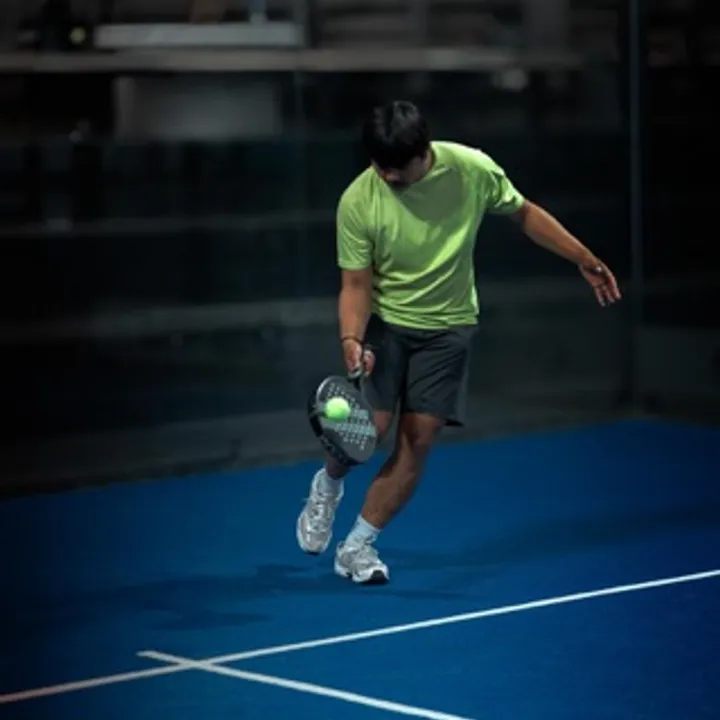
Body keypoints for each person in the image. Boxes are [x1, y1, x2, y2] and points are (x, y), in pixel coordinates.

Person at [296, 100, 622, 585]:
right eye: (379, 166)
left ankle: (358, 546)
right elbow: (356, 284)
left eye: (395, 168)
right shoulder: (359, 199)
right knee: (369, 429)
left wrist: (583, 257)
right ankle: (327, 485)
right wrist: (351, 338)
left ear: (423, 153)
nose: (386, 176)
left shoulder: (471, 169)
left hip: (449, 328)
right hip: (386, 321)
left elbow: (524, 213)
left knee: (418, 439)